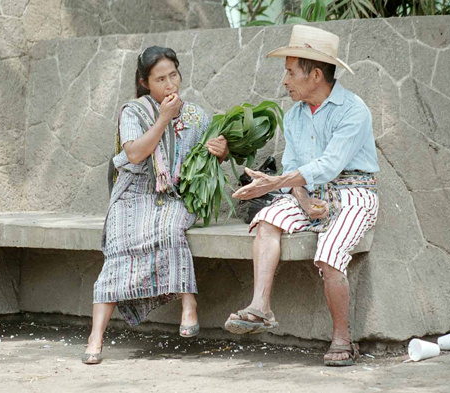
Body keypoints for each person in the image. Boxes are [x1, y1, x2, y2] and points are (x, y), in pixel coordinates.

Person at [225, 25, 380, 367]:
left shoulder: (353, 111)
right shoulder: (294, 116)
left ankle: (342, 337)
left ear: (315, 75)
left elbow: (329, 165)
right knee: (267, 218)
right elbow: (296, 168)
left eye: (291, 72)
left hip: (354, 193)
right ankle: (261, 307)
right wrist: (303, 200)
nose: (285, 81)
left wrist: (273, 183)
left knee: (329, 252)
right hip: (308, 193)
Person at [83, 46, 229, 365]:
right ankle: (96, 336)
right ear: (145, 82)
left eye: (173, 75)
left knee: (169, 229)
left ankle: (188, 305)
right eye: (160, 79)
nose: (169, 85)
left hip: (174, 196)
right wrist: (163, 118)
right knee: (120, 245)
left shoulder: (195, 115)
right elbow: (134, 154)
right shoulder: (133, 112)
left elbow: (207, 157)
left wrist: (221, 150)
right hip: (134, 193)